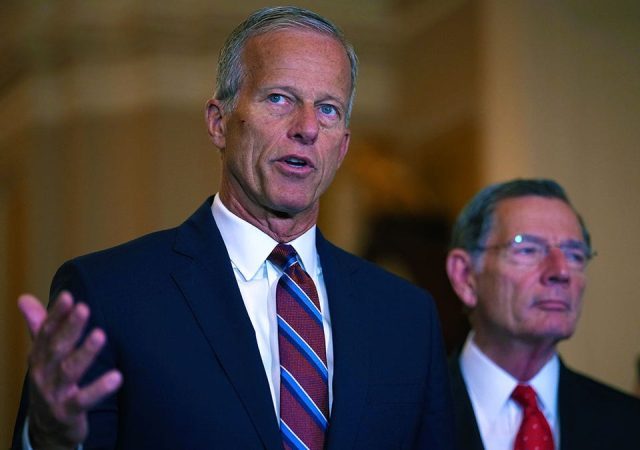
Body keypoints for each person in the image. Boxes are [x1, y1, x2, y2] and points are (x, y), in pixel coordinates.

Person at [11, 6, 454, 450]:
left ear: (342, 147)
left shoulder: (407, 317)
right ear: (218, 123)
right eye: (279, 98)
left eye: (328, 109)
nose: (306, 128)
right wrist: (48, 439)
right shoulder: (110, 294)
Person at [445, 178, 640, 450]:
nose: (561, 271)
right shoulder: (407, 414)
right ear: (465, 276)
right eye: (527, 250)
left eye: (574, 254)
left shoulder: (629, 423)